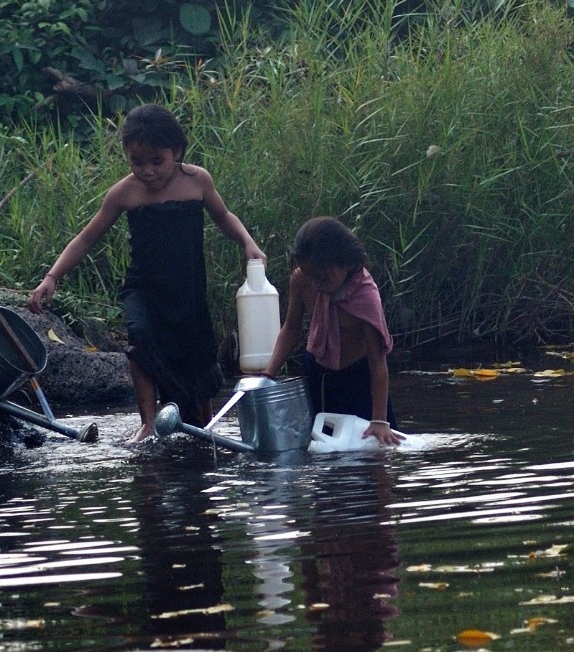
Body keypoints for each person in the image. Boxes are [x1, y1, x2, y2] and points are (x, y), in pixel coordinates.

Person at [28, 103, 264, 442]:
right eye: (137, 162)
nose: (148, 171)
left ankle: (202, 424)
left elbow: (224, 217)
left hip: (187, 292)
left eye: (157, 161)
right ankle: (148, 422)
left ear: (177, 151)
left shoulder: (197, 182)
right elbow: (86, 238)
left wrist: (247, 243)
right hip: (144, 288)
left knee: (197, 358)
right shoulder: (125, 193)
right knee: (140, 340)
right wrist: (52, 276)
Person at [262, 216, 402, 445]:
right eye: (310, 276)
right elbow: (291, 329)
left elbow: (378, 363)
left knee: (371, 453)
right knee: (319, 449)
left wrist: (379, 421)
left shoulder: (365, 295)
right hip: (318, 375)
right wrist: (268, 376)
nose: (316, 284)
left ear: (344, 263)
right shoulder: (302, 280)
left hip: (357, 382)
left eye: (322, 277)